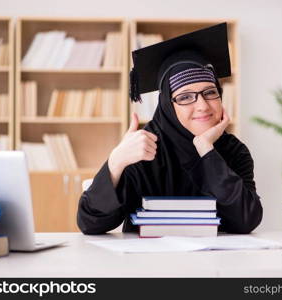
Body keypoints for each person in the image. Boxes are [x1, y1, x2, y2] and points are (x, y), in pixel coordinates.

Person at [77, 23, 263, 234]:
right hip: (149, 263)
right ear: (167, 105)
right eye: (185, 97)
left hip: (214, 263)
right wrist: (116, 162)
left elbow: (246, 220)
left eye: (210, 92)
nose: (202, 105)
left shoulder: (234, 151)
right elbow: (90, 224)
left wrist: (206, 151)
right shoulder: (144, 149)